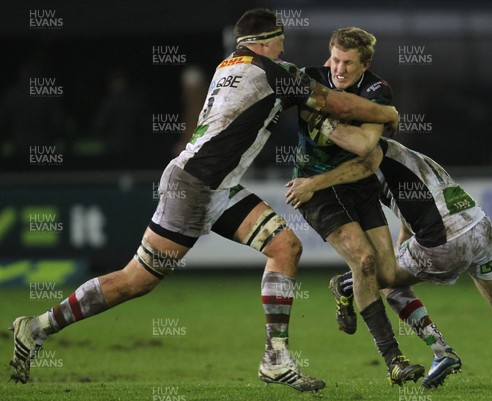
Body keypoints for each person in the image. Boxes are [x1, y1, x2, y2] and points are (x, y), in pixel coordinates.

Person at [9, 9, 400, 393]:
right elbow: (341, 104)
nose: (283, 50)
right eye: (279, 43)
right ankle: (39, 326)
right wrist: (387, 111)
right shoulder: (273, 73)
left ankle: (276, 359)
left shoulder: (227, 64)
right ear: (263, 43)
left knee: (285, 246)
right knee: (135, 281)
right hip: (195, 186)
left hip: (217, 185)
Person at [285, 137, 492, 389]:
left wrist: (314, 183)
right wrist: (398, 251)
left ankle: (439, 349)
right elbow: (409, 211)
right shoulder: (406, 154)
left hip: (444, 239)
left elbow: (363, 176)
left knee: (389, 287)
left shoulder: (366, 163)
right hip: (479, 225)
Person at [289, 27, 424, 386]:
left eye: (348, 62)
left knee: (389, 275)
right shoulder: (310, 80)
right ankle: (395, 361)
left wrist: (319, 118)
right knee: (363, 260)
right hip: (315, 193)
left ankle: (345, 287)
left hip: (355, 185)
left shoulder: (377, 91)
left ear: (365, 64)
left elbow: (365, 148)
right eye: (335, 59)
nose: (339, 68)